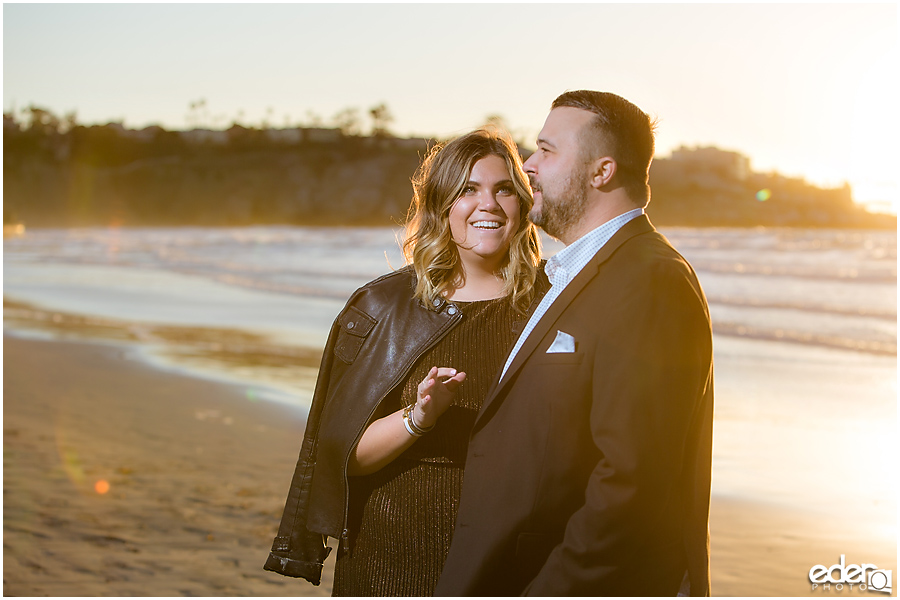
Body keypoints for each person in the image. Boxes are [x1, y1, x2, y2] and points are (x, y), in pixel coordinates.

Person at [435, 91, 715, 596]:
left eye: (546, 150)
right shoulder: (572, 272)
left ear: (601, 171)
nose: (528, 165)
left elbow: (633, 486)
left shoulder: (650, 281)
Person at [263, 128, 546, 595]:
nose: (489, 205)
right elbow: (342, 458)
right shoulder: (382, 305)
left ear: (523, 203)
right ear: (442, 205)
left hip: (509, 556)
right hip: (390, 554)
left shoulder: (553, 306)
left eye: (504, 190)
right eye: (468, 190)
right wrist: (420, 416)